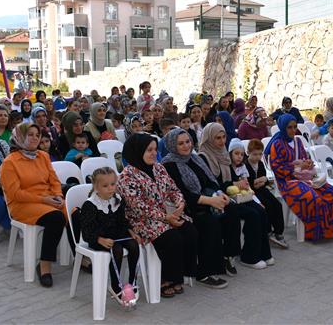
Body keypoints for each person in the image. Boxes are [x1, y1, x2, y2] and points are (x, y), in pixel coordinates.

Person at [117, 133, 198, 298]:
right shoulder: (127, 176)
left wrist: (180, 204)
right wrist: (166, 218)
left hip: (167, 214)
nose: (154, 153)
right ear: (137, 151)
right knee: (172, 238)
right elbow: (138, 206)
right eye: (149, 150)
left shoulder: (159, 167)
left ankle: (181, 273)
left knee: (190, 231)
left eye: (155, 149)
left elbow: (173, 189)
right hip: (143, 220)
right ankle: (165, 279)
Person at [162, 128, 235, 289]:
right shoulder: (169, 165)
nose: (186, 146)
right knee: (209, 222)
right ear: (172, 145)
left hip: (208, 199)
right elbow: (182, 194)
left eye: (187, 141)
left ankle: (226, 255)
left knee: (232, 212)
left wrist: (220, 194)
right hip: (187, 208)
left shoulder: (194, 158)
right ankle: (205, 272)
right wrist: (210, 201)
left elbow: (210, 180)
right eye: (180, 143)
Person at [0, 123, 67, 288]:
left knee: (74, 212)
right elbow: (15, 194)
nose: (35, 138)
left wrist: (58, 196)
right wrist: (45, 200)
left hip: (48, 199)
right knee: (56, 218)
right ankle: (44, 265)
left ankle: (83, 257)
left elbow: (54, 180)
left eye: (37, 135)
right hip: (22, 204)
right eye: (30, 134)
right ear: (20, 137)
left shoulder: (42, 156)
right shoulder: (10, 163)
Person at [200, 124, 273, 269]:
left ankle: (264, 253)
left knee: (261, 210)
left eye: (223, 137)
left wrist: (237, 184)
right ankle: (248, 257)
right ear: (209, 138)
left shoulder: (223, 154)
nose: (221, 141)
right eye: (217, 138)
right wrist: (234, 184)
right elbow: (210, 185)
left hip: (235, 194)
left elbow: (232, 179)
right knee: (252, 214)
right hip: (220, 199)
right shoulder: (204, 157)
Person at [268, 114, 333, 242]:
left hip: (305, 178)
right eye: (289, 127)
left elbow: (305, 158)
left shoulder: (298, 141)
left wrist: (308, 163)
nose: (293, 130)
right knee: (314, 199)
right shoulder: (277, 145)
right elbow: (277, 168)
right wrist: (296, 166)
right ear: (283, 128)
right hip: (287, 182)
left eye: (295, 127)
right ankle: (317, 232)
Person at [79, 167, 141, 304]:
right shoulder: (90, 205)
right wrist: (99, 239)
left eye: (113, 184)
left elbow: (122, 221)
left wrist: (131, 231)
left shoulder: (117, 199)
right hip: (98, 238)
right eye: (105, 186)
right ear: (96, 187)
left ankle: (132, 282)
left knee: (134, 245)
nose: (110, 188)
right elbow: (86, 232)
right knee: (116, 249)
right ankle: (115, 285)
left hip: (117, 234)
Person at [244, 139, 287, 249]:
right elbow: (249, 183)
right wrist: (259, 181)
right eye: (254, 154)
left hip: (262, 189)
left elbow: (264, 180)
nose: (257, 157)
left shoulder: (261, 164)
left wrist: (263, 180)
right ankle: (268, 231)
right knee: (267, 205)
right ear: (248, 153)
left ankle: (278, 231)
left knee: (277, 204)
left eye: (260, 154)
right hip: (253, 192)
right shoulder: (245, 165)